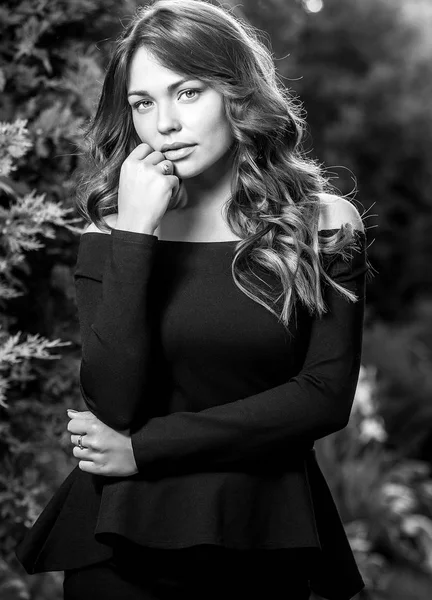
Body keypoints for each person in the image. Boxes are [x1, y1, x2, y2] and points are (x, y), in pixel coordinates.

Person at [14, 1, 372, 598]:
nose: (163, 125)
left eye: (187, 93)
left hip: (259, 534)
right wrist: (135, 233)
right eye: (142, 103)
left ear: (238, 94)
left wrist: (144, 451)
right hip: (119, 547)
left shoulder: (323, 224)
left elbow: (324, 397)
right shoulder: (114, 228)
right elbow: (115, 400)